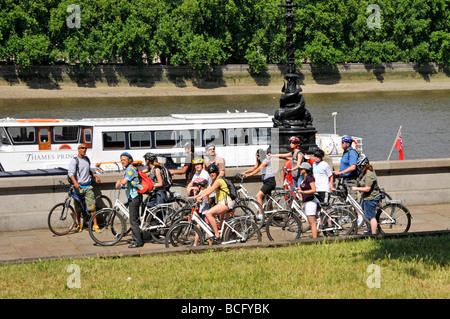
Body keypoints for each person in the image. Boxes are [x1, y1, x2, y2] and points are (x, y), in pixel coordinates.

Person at [192, 163, 235, 244]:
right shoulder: (214, 181)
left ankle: (217, 235)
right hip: (221, 203)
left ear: (217, 172)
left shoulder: (219, 181)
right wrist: (196, 196)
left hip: (225, 202)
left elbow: (210, 191)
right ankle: (223, 239)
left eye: (213, 172)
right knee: (222, 223)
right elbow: (206, 190)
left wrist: (200, 197)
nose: (212, 174)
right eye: (210, 173)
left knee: (208, 213)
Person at [68, 144, 101, 233]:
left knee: (92, 207)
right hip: (78, 188)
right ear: (78, 149)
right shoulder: (74, 161)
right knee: (77, 209)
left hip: (88, 187)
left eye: (85, 148)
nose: (84, 149)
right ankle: (79, 224)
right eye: (82, 148)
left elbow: (89, 170)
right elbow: (70, 173)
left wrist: (95, 176)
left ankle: (95, 225)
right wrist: (75, 183)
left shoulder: (87, 159)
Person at [115, 152, 144, 248]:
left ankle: (138, 242)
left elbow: (123, 182)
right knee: (135, 218)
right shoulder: (129, 169)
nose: (122, 161)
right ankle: (139, 238)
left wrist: (118, 182)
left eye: (124, 160)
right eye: (121, 160)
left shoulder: (130, 169)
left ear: (129, 160)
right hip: (133, 196)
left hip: (134, 196)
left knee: (133, 220)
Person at [332, 135, 362, 225]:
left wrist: (341, 173)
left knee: (353, 199)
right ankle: (352, 216)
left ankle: (361, 218)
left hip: (351, 180)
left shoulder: (352, 152)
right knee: (347, 200)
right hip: (345, 180)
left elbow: (353, 167)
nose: (341, 144)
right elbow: (344, 166)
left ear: (348, 143)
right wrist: (337, 171)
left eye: (342, 142)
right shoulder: (346, 152)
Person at [241, 148, 276, 220]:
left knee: (258, 196)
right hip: (266, 182)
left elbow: (258, 169)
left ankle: (260, 214)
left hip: (270, 182)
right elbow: (254, 167)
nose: (257, 157)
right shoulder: (260, 162)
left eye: (259, 155)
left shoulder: (265, 161)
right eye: (257, 155)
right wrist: (244, 172)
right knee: (268, 199)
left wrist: (249, 175)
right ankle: (271, 215)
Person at [351, 156, 381, 235]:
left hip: (371, 198)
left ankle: (374, 235)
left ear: (362, 166)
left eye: (360, 167)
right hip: (366, 198)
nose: (360, 169)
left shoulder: (369, 175)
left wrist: (356, 188)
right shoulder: (367, 173)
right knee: (362, 211)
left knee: (371, 217)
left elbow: (367, 188)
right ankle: (369, 228)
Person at [297, 162, 318, 239]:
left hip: (310, 202)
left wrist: (302, 192)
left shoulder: (310, 178)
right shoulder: (304, 178)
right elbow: (305, 188)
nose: (300, 170)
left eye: (301, 169)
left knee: (312, 223)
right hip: (306, 201)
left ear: (305, 170)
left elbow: (313, 190)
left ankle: (315, 240)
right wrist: (299, 189)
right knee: (311, 222)